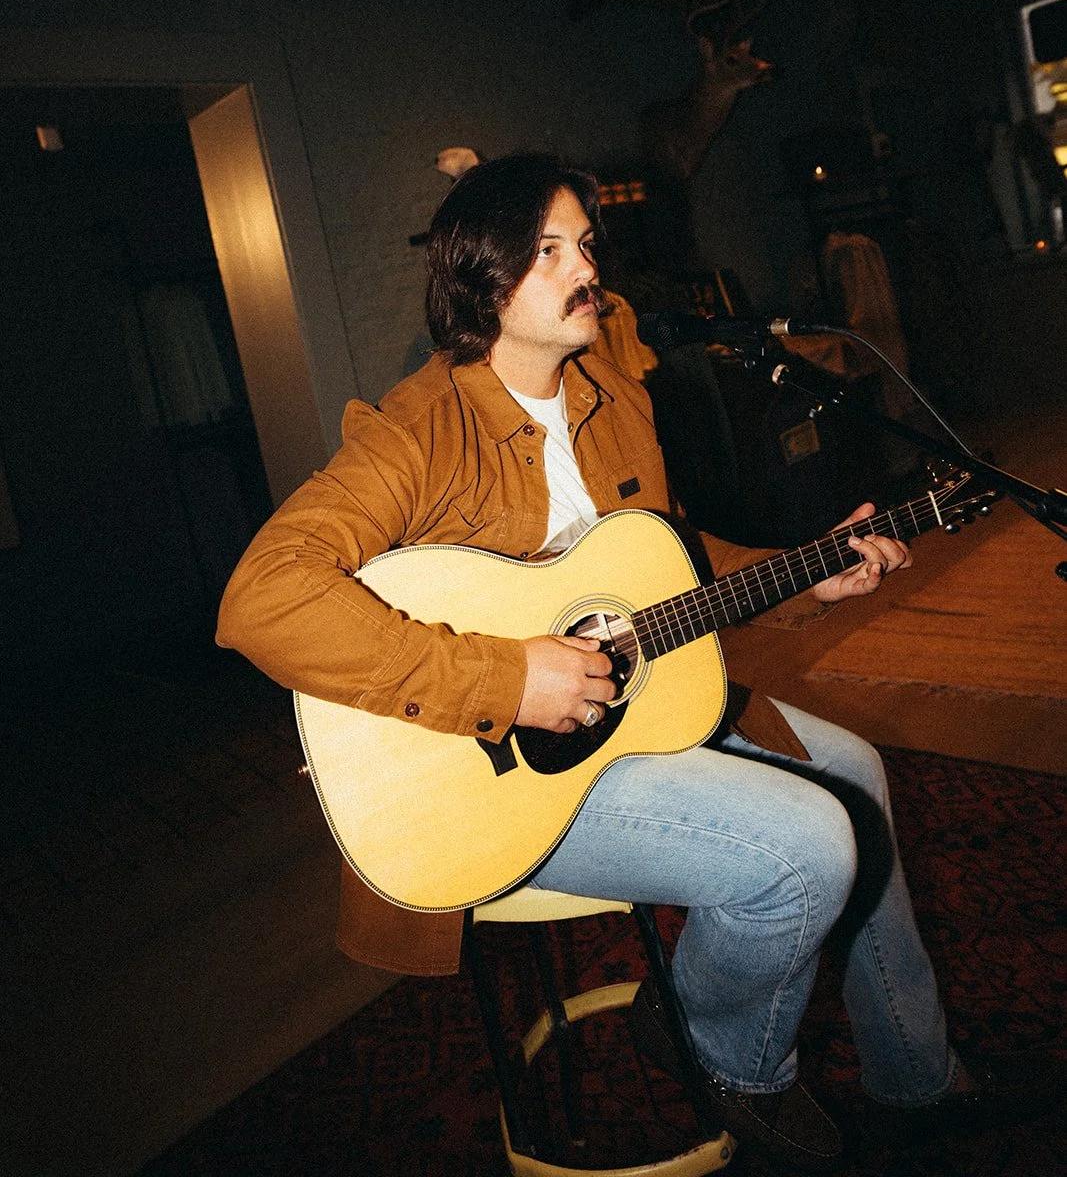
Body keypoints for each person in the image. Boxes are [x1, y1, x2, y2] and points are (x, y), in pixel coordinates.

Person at [217, 153, 1058, 1173]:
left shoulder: (607, 396)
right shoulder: (415, 432)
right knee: (808, 846)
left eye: (585, 245)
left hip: (631, 718)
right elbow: (262, 597)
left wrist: (804, 573)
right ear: (483, 279)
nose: (587, 269)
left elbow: (657, 568)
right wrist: (502, 677)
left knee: (859, 782)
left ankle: (915, 1081)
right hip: (492, 779)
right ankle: (715, 1050)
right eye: (549, 250)